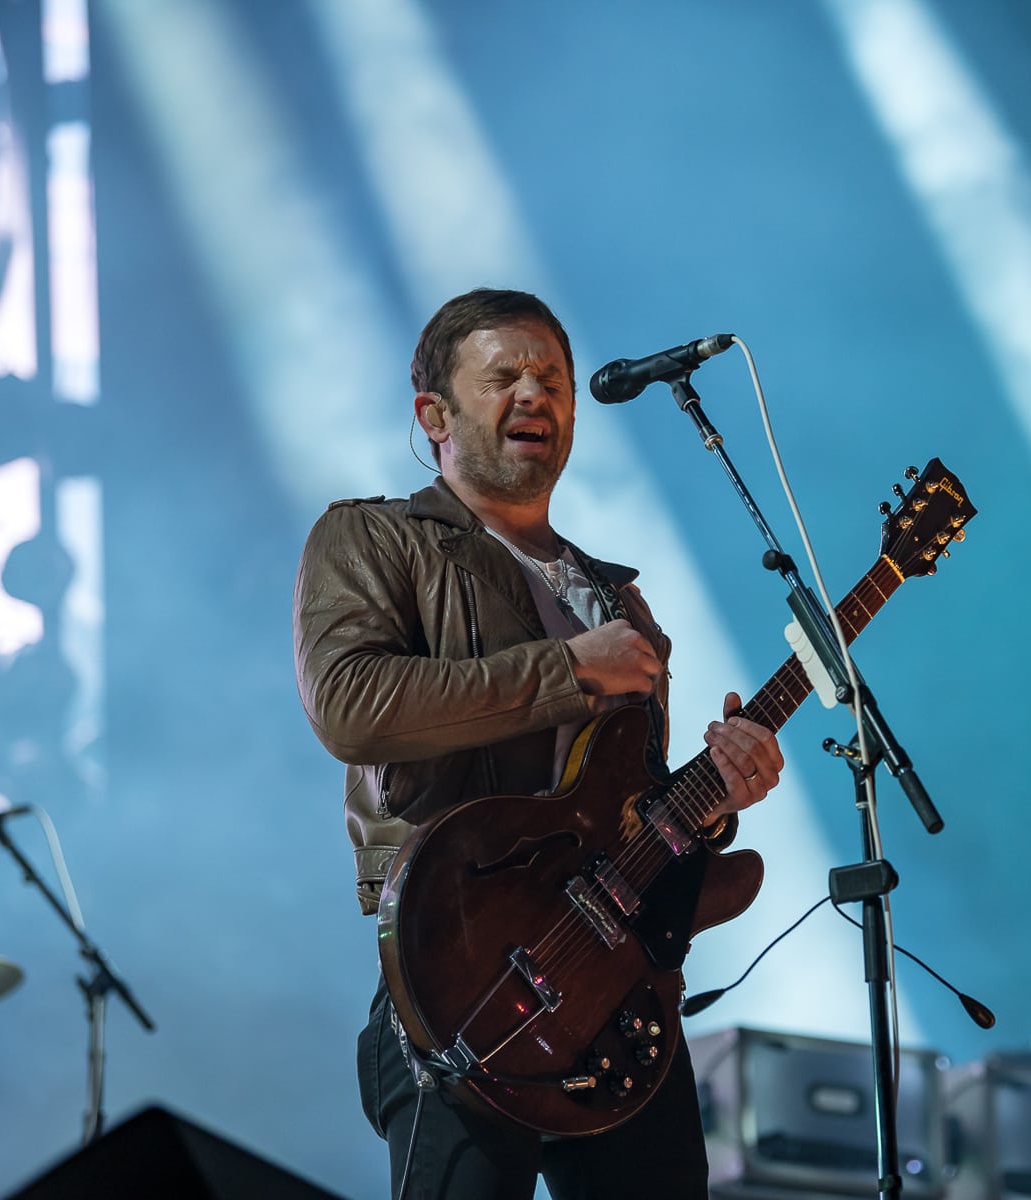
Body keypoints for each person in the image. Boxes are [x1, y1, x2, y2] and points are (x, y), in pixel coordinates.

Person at [292, 287, 784, 1198]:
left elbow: (619, 817)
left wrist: (714, 797)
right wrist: (570, 671)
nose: (537, 395)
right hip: (462, 968)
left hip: (621, 991)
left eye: (552, 379)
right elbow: (351, 705)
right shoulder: (373, 538)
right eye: (505, 376)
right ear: (434, 415)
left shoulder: (618, 600)